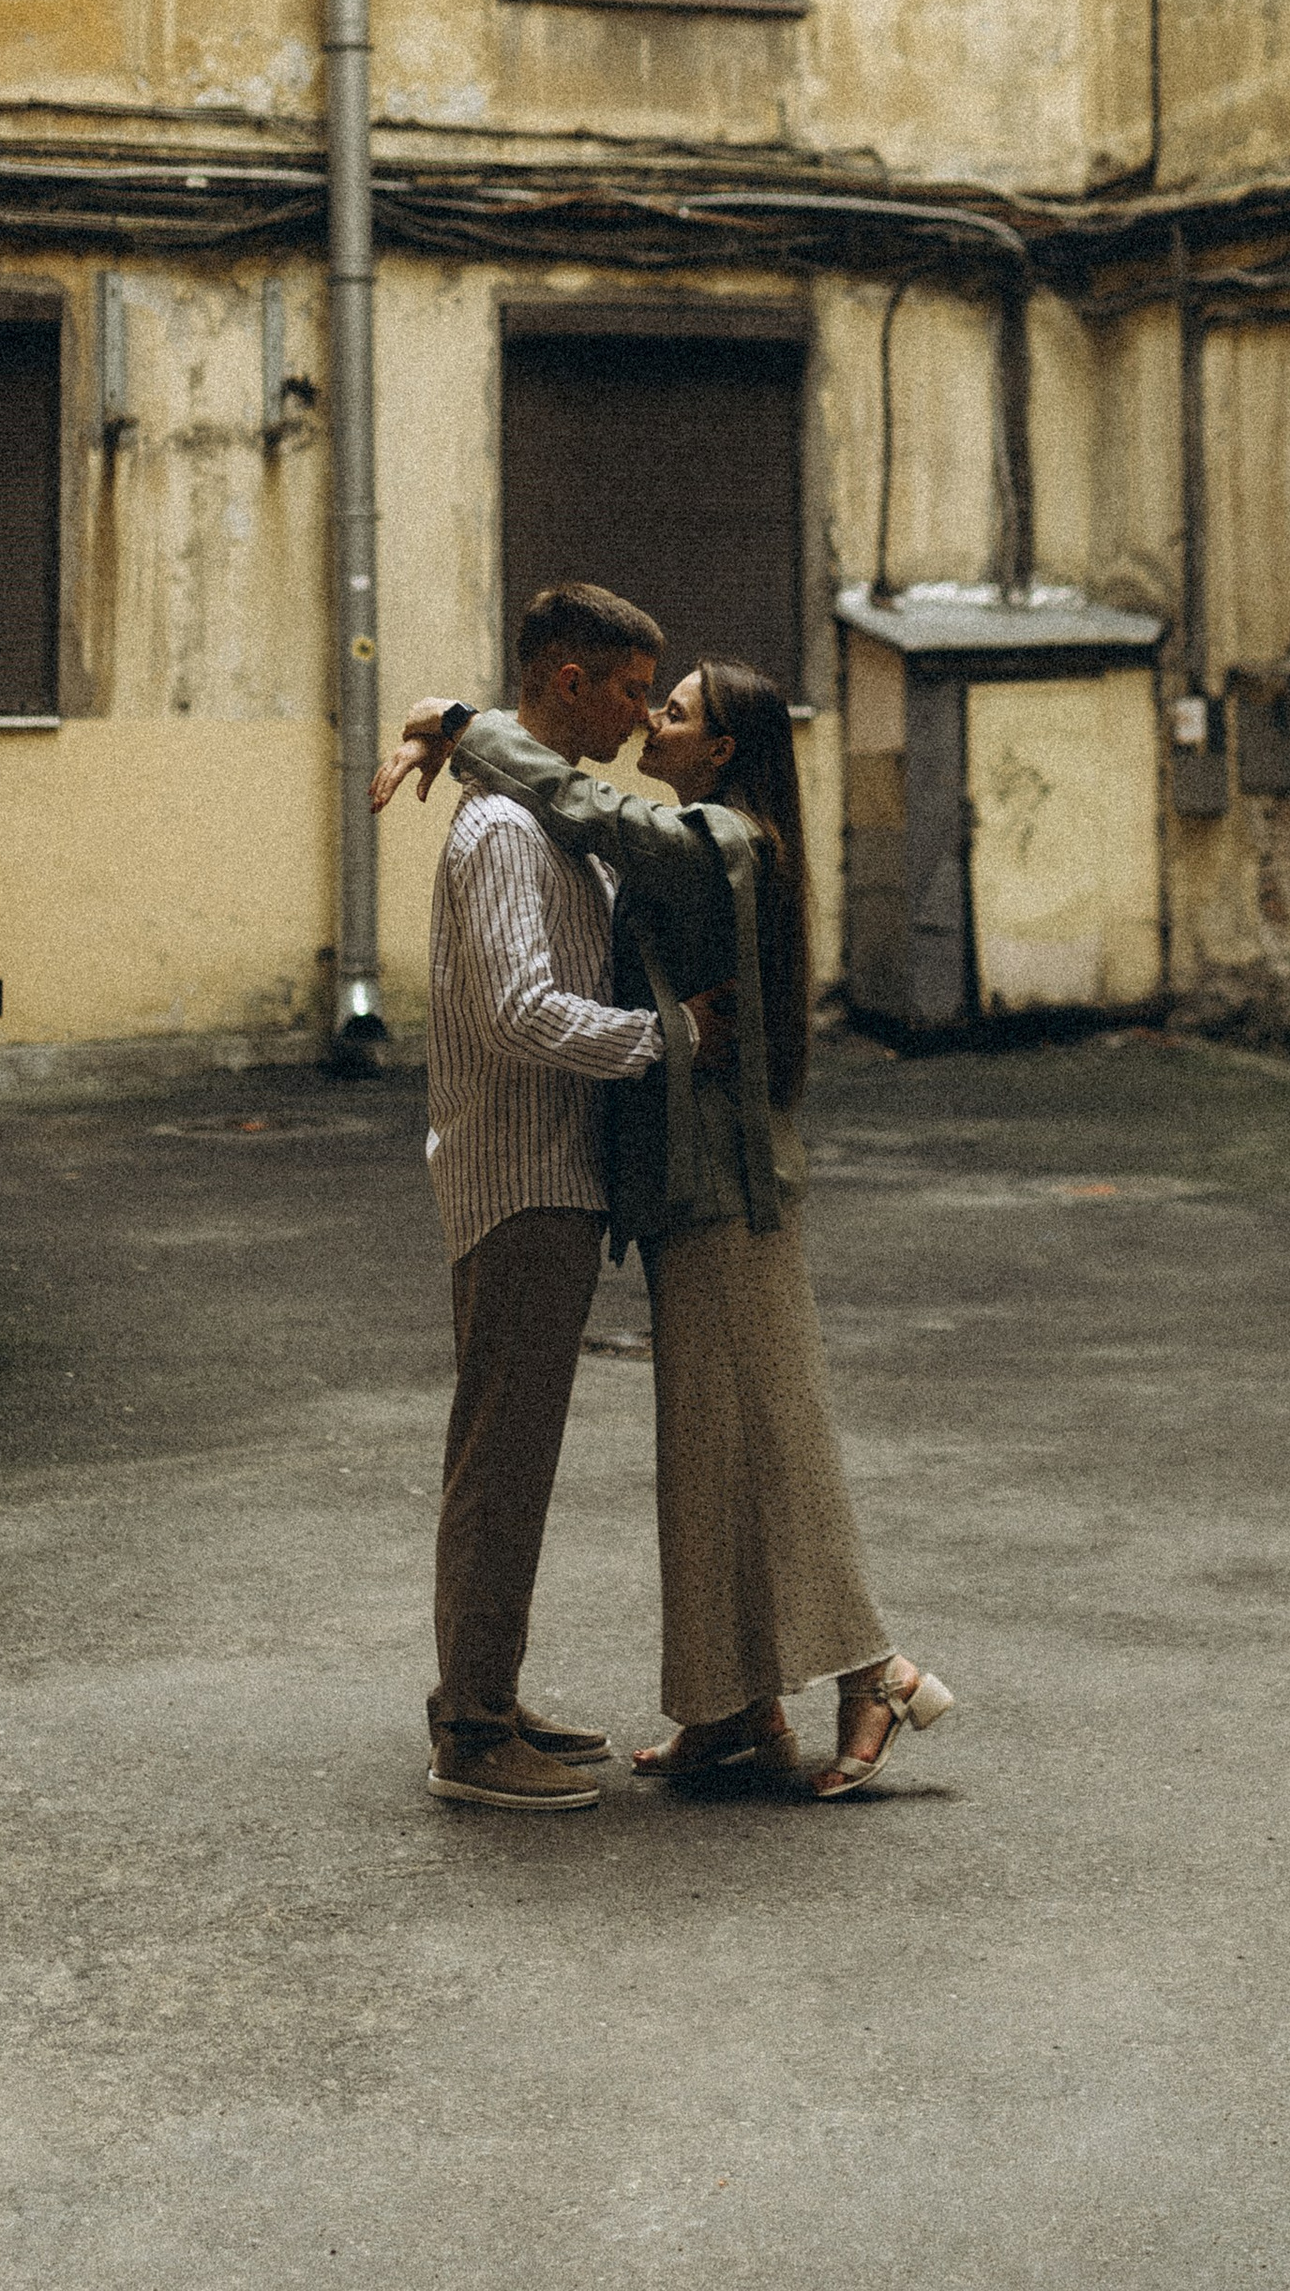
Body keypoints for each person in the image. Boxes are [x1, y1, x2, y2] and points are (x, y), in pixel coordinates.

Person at [388, 656, 955, 1800]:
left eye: (677, 710)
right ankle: (730, 1708)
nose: (653, 717)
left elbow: (590, 809)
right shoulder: (713, 836)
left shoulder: (723, 838)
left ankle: (875, 1671)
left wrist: (460, 724)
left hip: (726, 1189)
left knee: (768, 1435)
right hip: (681, 1187)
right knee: (703, 1455)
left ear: (722, 751)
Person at [386, 578, 696, 1815]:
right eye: (629, 690)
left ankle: (489, 1698)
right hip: (522, 1182)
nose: (640, 717)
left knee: (510, 1454)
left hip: (545, 1173)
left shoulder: (540, 813)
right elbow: (521, 1012)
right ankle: (470, 1733)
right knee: (501, 1462)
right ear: (569, 681)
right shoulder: (509, 834)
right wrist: (670, 1042)